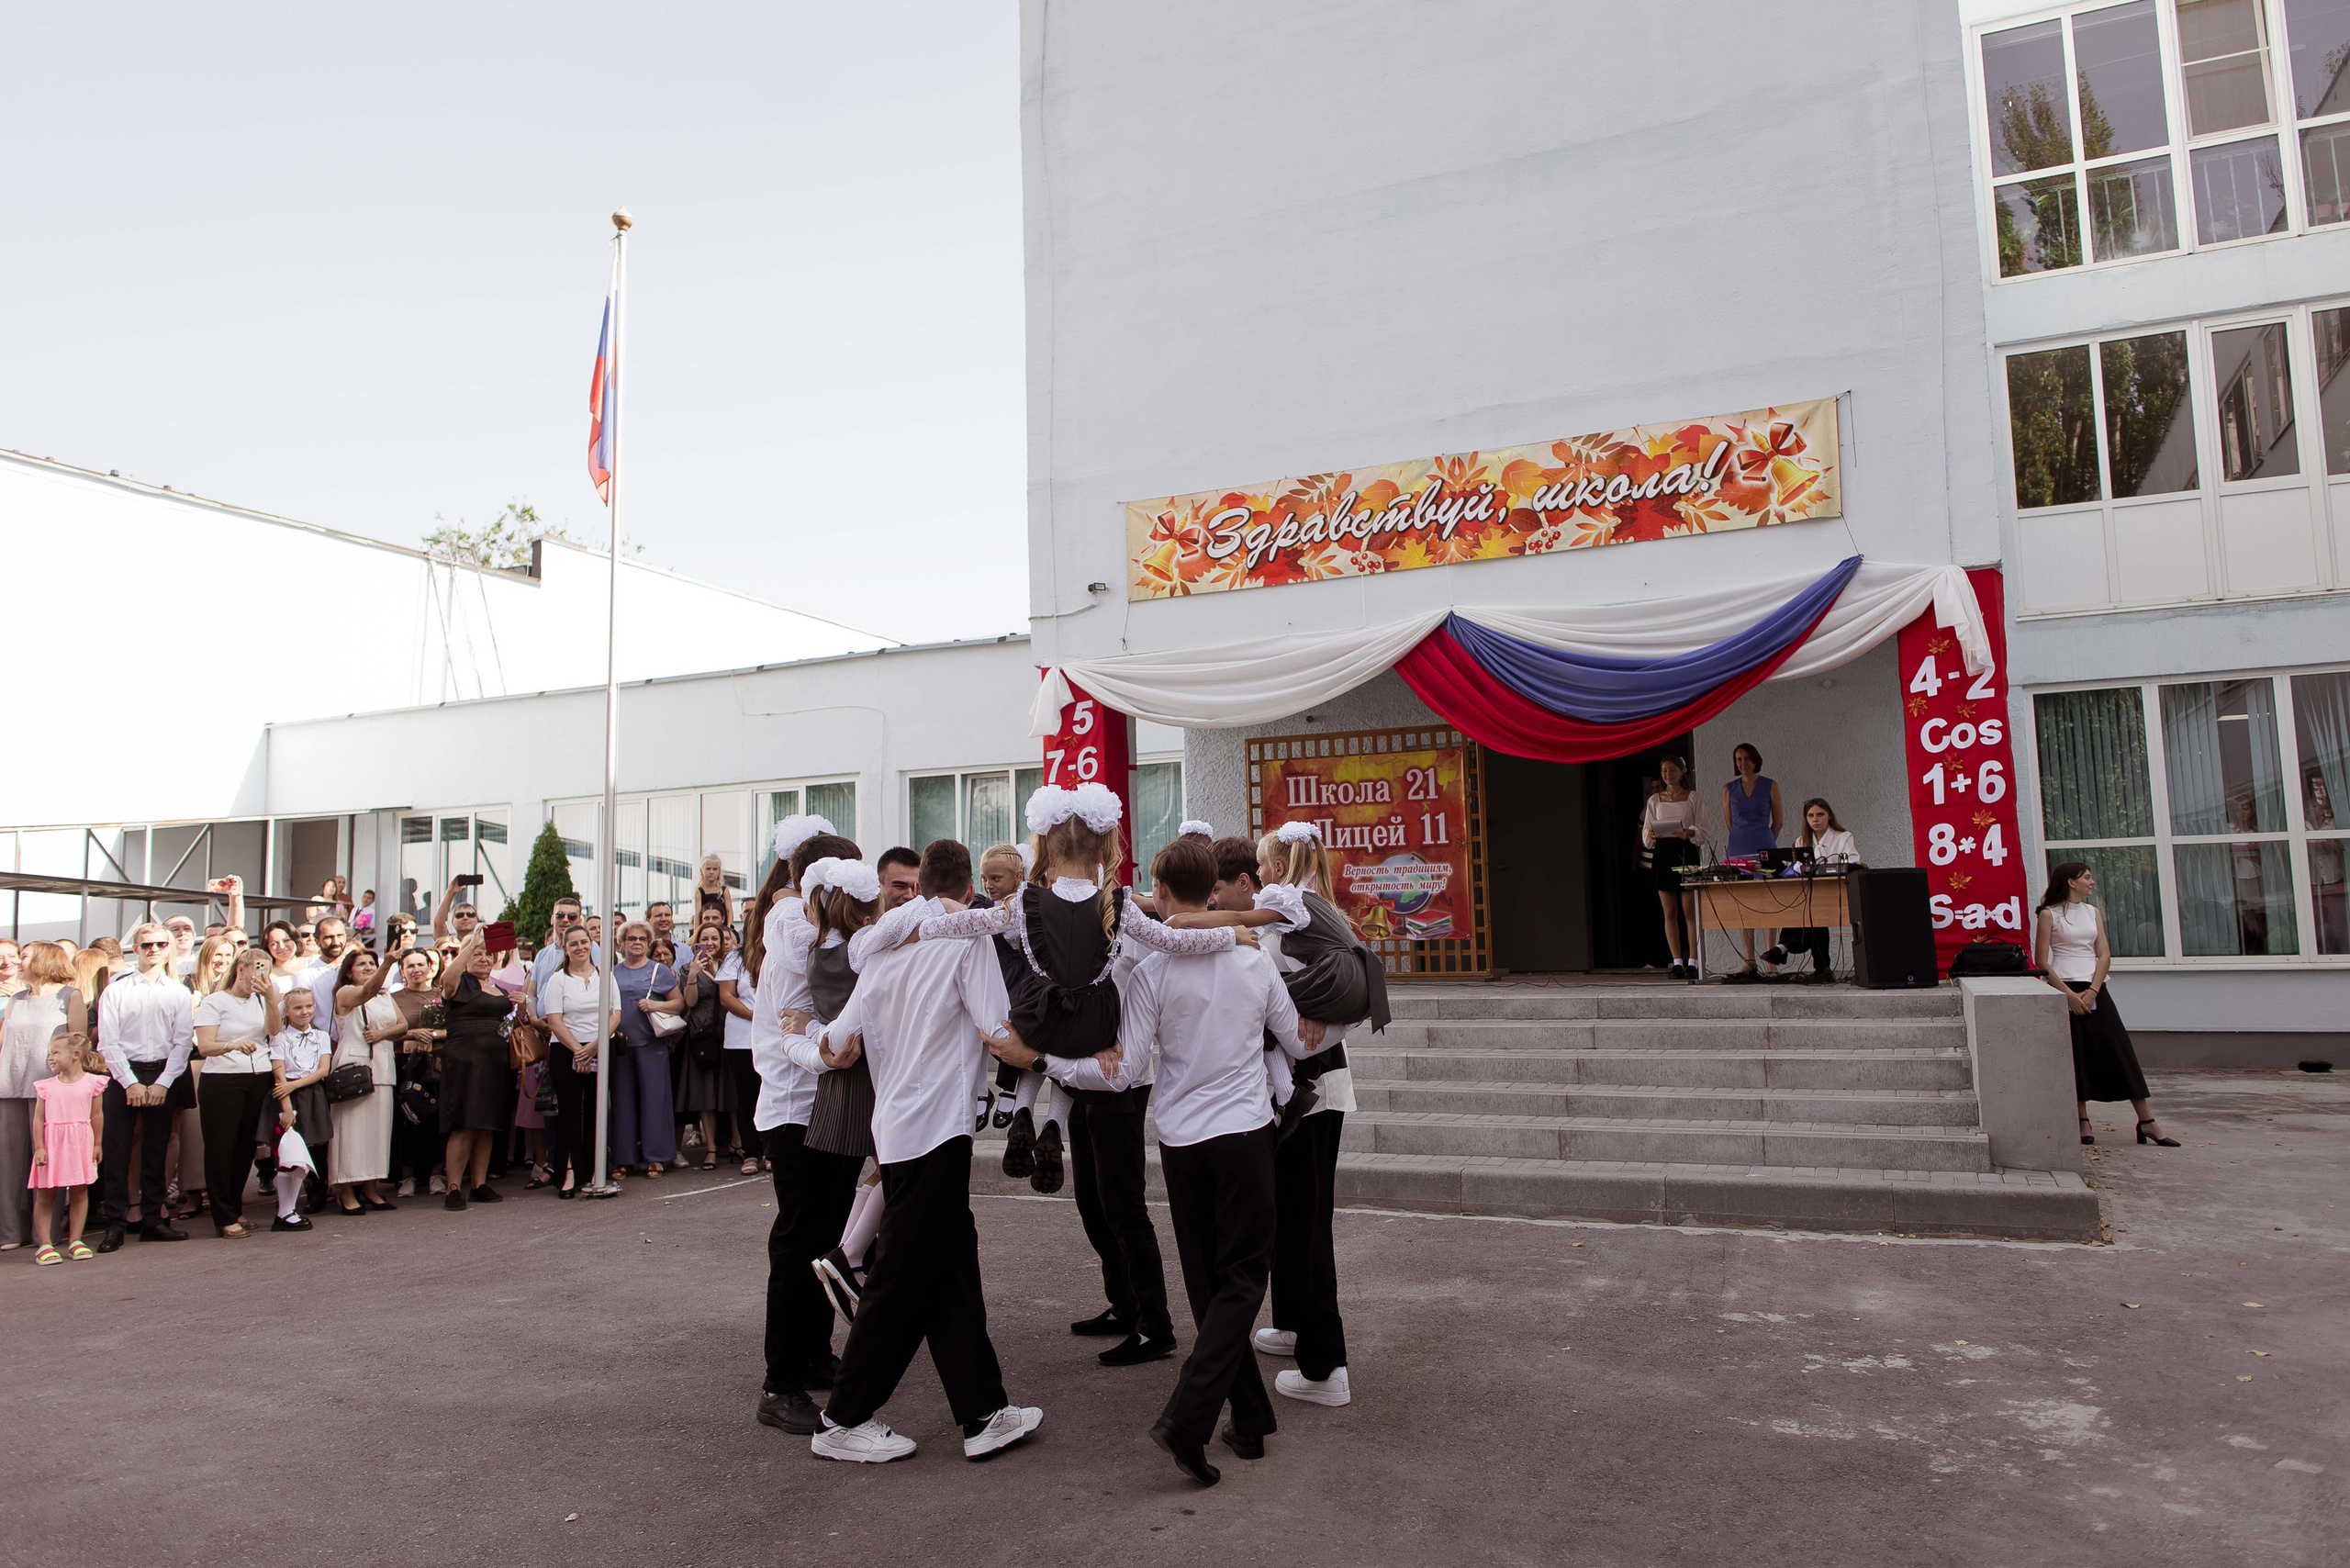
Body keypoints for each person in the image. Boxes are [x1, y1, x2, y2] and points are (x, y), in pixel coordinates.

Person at [1003, 835, 1318, 1485]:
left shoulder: (1150, 972)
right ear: (1215, 890)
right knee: (1241, 1278)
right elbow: (1295, 1038)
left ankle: (1251, 1419)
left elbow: (1119, 1075)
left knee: (1210, 1284)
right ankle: (1190, 1417)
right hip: (1245, 1136)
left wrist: (1039, 1062)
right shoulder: (1253, 963)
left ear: (1165, 894)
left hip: (1181, 1142)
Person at [797, 840, 1042, 1466]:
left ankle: (985, 1412)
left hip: (897, 1132)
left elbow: (839, 1042)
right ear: (969, 892)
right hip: (937, 1129)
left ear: (921, 886)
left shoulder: (881, 950)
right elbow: (998, 1035)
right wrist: (1065, 1060)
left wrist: (795, 1035)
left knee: (952, 1271)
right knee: (902, 1280)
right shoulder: (966, 941)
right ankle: (842, 1418)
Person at [746, 817, 858, 1435]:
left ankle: (814, 1355)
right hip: (795, 1105)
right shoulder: (794, 924)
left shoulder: (807, 923)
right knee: (799, 1241)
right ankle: (780, 1384)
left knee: (822, 1240)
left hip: (826, 1100)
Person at [782, 856, 885, 1332]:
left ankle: (848, 1252)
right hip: (867, 1071)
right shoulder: (860, 950)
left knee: (870, 1171)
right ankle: (849, 1254)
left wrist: (812, 1028)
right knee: (891, 1162)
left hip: (835, 1081)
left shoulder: (815, 952)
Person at [2036, 863, 2177, 1148]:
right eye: (2087, 877)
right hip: (2066, 989)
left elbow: (2104, 954)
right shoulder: (2049, 915)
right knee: (2077, 1054)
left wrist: (2093, 990)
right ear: (2071, 882)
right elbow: (2041, 961)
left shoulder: (2092, 912)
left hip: (2095, 988)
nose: (2092, 882)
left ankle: (2146, 1120)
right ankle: (2082, 1119)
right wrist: (2069, 996)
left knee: (2119, 1050)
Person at [93, 923, 194, 1251]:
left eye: (160, 944)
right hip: (124, 1075)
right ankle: (116, 1224)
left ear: (169, 948)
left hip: (164, 1072)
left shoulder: (178, 991)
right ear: (135, 949)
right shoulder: (117, 990)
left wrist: (164, 1083)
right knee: (118, 1151)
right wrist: (130, 1083)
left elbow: (182, 1043)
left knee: (157, 1150)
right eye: (146, 944)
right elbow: (108, 1042)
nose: (153, 950)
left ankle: (152, 1219)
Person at [2, 942, 87, 1251]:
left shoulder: (69, 996)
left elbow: (79, 1043)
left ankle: (46, 1236)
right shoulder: (15, 998)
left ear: (41, 960)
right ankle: (11, 1233)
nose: (15, 961)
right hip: (9, 1085)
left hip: (51, 1089)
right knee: (9, 1162)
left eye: (22, 956)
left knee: (46, 1162)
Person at [436, 933, 518, 1209]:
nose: (483, 958)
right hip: (464, 1061)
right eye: (477, 954)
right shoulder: (458, 984)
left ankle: (479, 1184)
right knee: (463, 1123)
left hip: (495, 1061)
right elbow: (447, 978)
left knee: (487, 1124)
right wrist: (470, 942)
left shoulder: (500, 989)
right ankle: (454, 1187)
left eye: (488, 955)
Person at [539, 924, 616, 1198]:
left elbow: (615, 1014)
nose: (581, 947)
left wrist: (595, 1046)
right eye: (574, 944)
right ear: (565, 948)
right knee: (570, 1113)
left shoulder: (605, 975)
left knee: (597, 1112)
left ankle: (596, 1171)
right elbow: (554, 1020)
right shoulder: (558, 979)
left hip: (601, 1048)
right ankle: (568, 1171)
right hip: (565, 1050)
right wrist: (578, 1051)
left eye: (585, 942)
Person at [328, 946, 402, 1214]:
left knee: (377, 1132)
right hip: (354, 1068)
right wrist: (388, 965)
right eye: (362, 964)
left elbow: (403, 1025)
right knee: (350, 1133)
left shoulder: (384, 995)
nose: (369, 967)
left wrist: (383, 1034)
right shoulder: (345, 992)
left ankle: (372, 1189)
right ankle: (345, 1191)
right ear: (349, 971)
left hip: (383, 1067)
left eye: (372, 963)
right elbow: (365, 992)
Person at [608, 922, 683, 1179]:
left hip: (652, 1044)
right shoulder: (612, 973)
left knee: (656, 1101)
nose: (637, 942)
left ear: (649, 942)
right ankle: (622, 1159)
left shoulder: (658, 971)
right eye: (631, 938)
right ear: (622, 943)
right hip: (620, 1045)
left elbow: (679, 1004)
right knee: (621, 1102)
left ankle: (657, 1157)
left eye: (642, 938)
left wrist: (654, 1005)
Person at [1759, 799, 1859, 983]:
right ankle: (1821, 967)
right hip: (1811, 897)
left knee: (1812, 911)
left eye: (1820, 814)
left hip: (1837, 893)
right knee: (1809, 912)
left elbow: (1853, 863)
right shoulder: (1801, 841)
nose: (1815, 819)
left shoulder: (1844, 837)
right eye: (1810, 815)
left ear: (1829, 816)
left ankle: (1783, 947)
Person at [28, 1033, 106, 1264]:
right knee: (45, 1193)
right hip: (52, 1145)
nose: (50, 1058)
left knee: (80, 1191)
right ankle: (45, 1245)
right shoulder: (46, 1087)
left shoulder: (93, 1083)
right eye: (49, 1054)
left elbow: (97, 1115)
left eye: (55, 1053)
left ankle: (76, 1241)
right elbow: (38, 1119)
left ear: (76, 1055)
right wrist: (40, 1147)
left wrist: (98, 1143)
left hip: (80, 1143)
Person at [1719, 742, 1784, 981]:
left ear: (1755, 760)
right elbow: (1729, 822)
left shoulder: (1770, 785)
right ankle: (1749, 960)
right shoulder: (1728, 788)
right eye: (1738, 759)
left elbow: (1778, 821)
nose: (1742, 763)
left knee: (1767, 901)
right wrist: (1742, 840)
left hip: (1764, 846)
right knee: (1743, 905)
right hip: (1738, 848)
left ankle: (1771, 961)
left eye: (1746, 758)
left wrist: (1767, 842)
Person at [269, 986, 334, 1220]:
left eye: (308, 1006)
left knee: (317, 1145)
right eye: (297, 1008)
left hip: (312, 1092)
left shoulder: (321, 1036)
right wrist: (287, 1105)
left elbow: (323, 1070)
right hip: (287, 1096)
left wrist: (293, 1085)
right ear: (286, 1011)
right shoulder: (280, 1038)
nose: (304, 1012)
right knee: (291, 1146)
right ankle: (288, 1199)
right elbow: (280, 1076)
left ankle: (318, 1192)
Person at [1640, 754, 1707, 980]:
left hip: (1684, 853)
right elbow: (1646, 833)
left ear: (1682, 772)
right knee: (1669, 912)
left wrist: (1690, 832)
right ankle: (1676, 960)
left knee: (1690, 911)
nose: (1668, 775)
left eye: (1672, 770)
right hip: (1663, 853)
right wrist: (1650, 834)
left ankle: (1694, 960)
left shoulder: (1692, 798)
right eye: (1665, 771)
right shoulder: (1654, 800)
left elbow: (1703, 829)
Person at [676, 923, 730, 1171]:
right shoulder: (688, 968)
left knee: (729, 1090)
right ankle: (710, 1148)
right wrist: (693, 975)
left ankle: (736, 1142)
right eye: (704, 938)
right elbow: (689, 1002)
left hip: (729, 1034)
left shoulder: (731, 964)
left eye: (714, 938)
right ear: (696, 941)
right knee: (706, 1092)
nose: (710, 943)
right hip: (702, 1036)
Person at [713, 921, 761, 1174]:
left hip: (772, 1037)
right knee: (747, 1097)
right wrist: (757, 1016)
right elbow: (726, 997)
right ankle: (750, 1153)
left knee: (770, 1094)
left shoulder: (777, 953)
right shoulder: (734, 958)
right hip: (741, 1039)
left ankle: (771, 1151)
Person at [695, 855, 734, 928]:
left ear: (719, 871)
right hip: (705, 928)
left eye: (715, 869)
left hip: (723, 927)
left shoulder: (724, 890)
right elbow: (698, 914)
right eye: (708, 869)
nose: (711, 872)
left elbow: (729, 912)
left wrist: (730, 928)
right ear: (701, 870)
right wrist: (696, 933)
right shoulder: (699, 891)